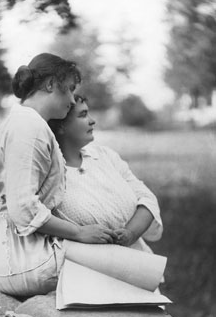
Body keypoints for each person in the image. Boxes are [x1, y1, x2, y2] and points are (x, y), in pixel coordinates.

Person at [0, 53, 118, 297]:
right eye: (68, 89)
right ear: (50, 85)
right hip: (9, 256)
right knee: (121, 265)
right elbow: (23, 209)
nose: (71, 99)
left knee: (118, 257)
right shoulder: (29, 128)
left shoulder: (23, 121)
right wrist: (79, 232)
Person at [48, 95, 163, 254]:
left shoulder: (105, 155)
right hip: (84, 269)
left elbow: (147, 198)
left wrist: (130, 234)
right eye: (82, 115)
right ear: (60, 125)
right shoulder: (48, 173)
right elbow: (34, 218)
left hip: (137, 265)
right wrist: (78, 233)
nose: (92, 120)